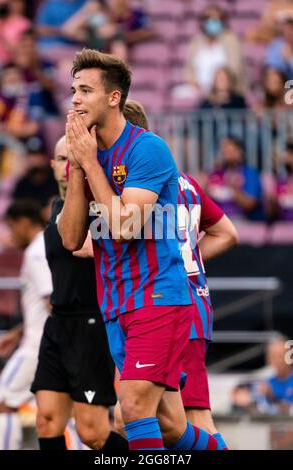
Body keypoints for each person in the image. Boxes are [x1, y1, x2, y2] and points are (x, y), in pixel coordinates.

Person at [58, 48, 221, 451]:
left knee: (131, 409)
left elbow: (126, 225)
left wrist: (91, 165)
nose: (75, 99)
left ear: (114, 98)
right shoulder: (84, 154)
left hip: (158, 297)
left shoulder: (147, 149)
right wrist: (79, 168)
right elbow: (70, 238)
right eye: (73, 90)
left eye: (85, 90)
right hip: (115, 304)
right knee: (169, 426)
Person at [115, 99, 238, 449]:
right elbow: (228, 233)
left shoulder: (140, 184)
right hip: (183, 297)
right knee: (155, 418)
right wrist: (191, 262)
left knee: (192, 415)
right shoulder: (185, 182)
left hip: (167, 301)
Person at [31, 135, 127, 451]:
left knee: (93, 432)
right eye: (61, 159)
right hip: (57, 323)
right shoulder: (57, 207)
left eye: (71, 158)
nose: (66, 166)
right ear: (53, 165)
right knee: (46, 420)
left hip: (90, 323)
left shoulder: (95, 204)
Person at [0, 199, 52, 449]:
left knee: (4, 402)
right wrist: (17, 334)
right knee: (62, 410)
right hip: (41, 342)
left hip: (36, 347)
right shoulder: (46, 246)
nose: (10, 233)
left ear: (25, 223)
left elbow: (51, 300)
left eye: (11, 225)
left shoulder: (36, 253)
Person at [184, 4, 245, 97]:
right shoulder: (196, 42)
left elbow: (235, 69)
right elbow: (189, 69)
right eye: (208, 18)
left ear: (223, 21)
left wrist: (219, 85)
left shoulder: (231, 40)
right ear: (203, 21)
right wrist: (194, 84)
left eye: (217, 19)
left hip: (225, 90)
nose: (212, 21)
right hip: (199, 90)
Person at [205, 135, 264, 221]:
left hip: (243, 223)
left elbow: (249, 204)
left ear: (240, 152)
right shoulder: (215, 174)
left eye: (230, 152)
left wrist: (234, 189)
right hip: (217, 223)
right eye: (224, 152)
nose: (226, 156)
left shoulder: (250, 174)